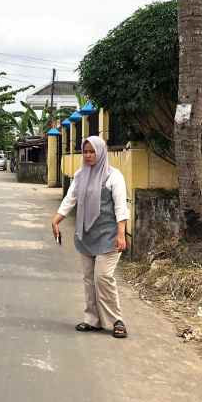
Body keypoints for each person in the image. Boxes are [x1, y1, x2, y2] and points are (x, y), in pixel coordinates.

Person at [51, 135, 129, 338]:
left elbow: (121, 207)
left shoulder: (114, 176)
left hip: (109, 236)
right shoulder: (80, 175)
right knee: (88, 279)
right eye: (85, 151)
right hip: (86, 234)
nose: (88, 155)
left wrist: (121, 234)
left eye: (92, 151)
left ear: (101, 152)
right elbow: (70, 199)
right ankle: (92, 319)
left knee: (103, 277)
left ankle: (116, 320)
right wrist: (56, 220)